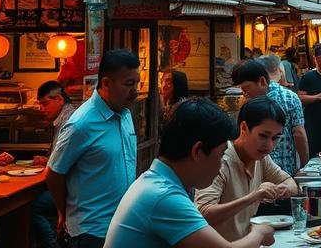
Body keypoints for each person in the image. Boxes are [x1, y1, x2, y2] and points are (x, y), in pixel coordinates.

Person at [106, 100, 276, 248]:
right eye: (221, 154)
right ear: (197, 151)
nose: (220, 165)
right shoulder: (164, 196)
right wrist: (259, 233)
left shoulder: (158, 182)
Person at [46, 49, 141, 247]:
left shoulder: (125, 114)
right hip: (90, 232)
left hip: (122, 225)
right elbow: (54, 172)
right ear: (106, 83)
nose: (135, 91)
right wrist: (63, 212)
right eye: (128, 84)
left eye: (136, 83)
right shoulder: (81, 124)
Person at [195, 97, 299, 240]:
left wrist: (284, 190)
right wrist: (254, 196)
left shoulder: (262, 159)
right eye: (263, 136)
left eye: (275, 138)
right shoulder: (221, 160)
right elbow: (203, 214)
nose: (269, 146)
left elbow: (291, 184)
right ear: (243, 128)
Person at [233, 57, 308, 178]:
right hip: (280, 168)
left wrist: (305, 165)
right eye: (241, 89)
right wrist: (305, 165)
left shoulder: (286, 98)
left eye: (246, 88)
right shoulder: (290, 96)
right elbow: (299, 133)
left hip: (272, 169)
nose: (244, 93)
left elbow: (298, 133)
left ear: (262, 81)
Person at [30, 81, 76, 248]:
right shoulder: (66, 117)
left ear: (59, 99)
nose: (42, 109)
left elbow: (60, 167)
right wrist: (48, 159)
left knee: (35, 208)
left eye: (45, 104)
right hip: (71, 184)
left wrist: (60, 207)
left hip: (72, 187)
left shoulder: (68, 121)